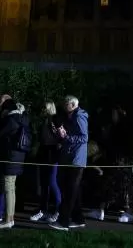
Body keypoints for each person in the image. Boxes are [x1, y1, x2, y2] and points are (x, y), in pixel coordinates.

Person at [0, 98, 29, 229]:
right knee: (11, 188)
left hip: (10, 157)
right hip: (18, 157)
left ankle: (9, 219)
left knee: (8, 188)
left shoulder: (11, 120)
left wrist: (3, 119)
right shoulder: (22, 119)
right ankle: (10, 218)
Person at [50, 95, 89, 232]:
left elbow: (84, 138)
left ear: (73, 104)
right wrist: (61, 134)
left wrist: (66, 137)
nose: (63, 104)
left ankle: (63, 222)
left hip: (76, 159)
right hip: (71, 157)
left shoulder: (79, 116)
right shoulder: (71, 116)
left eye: (66, 102)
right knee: (74, 191)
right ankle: (78, 219)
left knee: (70, 191)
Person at [30, 101, 61, 223]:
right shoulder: (43, 121)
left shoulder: (55, 121)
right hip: (43, 155)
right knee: (44, 185)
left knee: (52, 183)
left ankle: (59, 210)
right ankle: (43, 210)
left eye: (44, 108)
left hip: (52, 156)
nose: (42, 110)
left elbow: (59, 138)